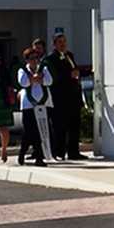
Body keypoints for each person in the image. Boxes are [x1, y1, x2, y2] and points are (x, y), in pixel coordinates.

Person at [44, 33, 86, 161]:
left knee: (74, 125)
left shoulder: (69, 55)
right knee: (60, 127)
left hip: (73, 96)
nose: (63, 44)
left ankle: (74, 152)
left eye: (64, 41)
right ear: (55, 44)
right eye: (60, 42)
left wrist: (79, 73)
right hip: (60, 98)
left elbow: (74, 69)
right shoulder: (50, 59)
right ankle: (59, 152)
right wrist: (69, 75)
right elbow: (54, 77)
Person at [17, 47, 54, 166]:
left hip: (43, 104)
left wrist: (38, 79)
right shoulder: (22, 70)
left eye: (36, 58)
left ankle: (39, 157)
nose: (34, 61)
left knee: (40, 131)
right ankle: (22, 152)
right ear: (27, 60)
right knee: (29, 132)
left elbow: (49, 81)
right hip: (28, 105)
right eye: (31, 58)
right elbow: (24, 83)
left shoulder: (44, 69)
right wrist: (34, 79)